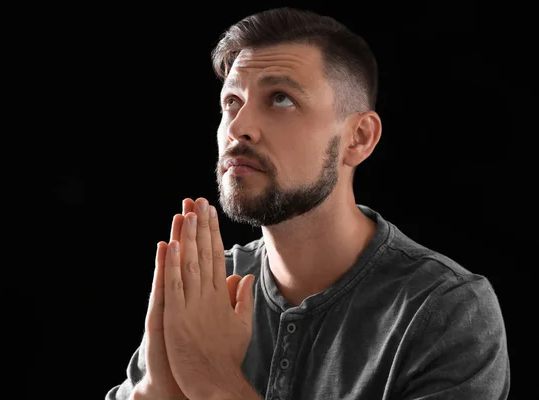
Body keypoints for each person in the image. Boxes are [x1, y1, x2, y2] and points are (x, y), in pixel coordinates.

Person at [106, 6, 510, 400]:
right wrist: (154, 389)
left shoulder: (445, 309)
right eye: (232, 102)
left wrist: (214, 380)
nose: (239, 128)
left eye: (280, 99)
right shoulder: (202, 287)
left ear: (359, 138)